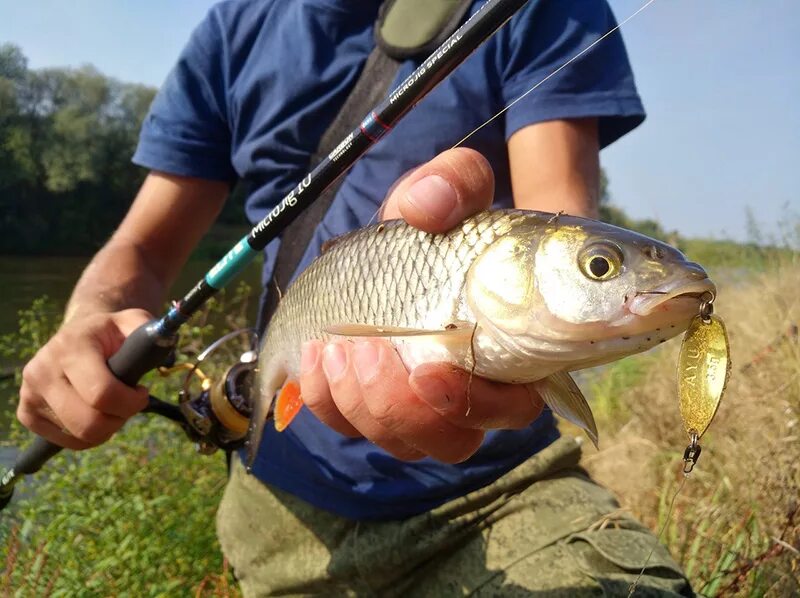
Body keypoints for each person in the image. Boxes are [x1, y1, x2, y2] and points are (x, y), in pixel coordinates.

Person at [18, 0, 693, 595]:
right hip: (278, 505)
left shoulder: (544, 6)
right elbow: (140, 250)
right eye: (605, 267)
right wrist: (86, 325)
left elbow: (563, 224)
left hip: (497, 493)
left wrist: (551, 340)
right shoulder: (232, 28)